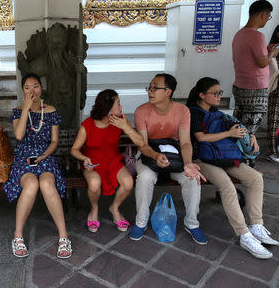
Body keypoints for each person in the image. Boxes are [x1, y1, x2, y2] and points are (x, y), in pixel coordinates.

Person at [186, 77, 278, 259]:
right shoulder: (193, 113)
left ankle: (256, 225)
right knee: (227, 187)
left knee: (255, 178)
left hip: (225, 157)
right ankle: (244, 234)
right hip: (203, 160)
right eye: (215, 93)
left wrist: (249, 134)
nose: (219, 96)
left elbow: (234, 124)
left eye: (220, 93)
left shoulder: (215, 111)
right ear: (202, 95)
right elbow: (201, 138)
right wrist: (229, 133)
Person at [129, 73, 207, 244]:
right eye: (149, 87)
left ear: (168, 92)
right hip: (149, 153)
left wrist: (188, 164)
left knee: (192, 178)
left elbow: (186, 143)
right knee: (144, 177)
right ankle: (141, 222)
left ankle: (192, 223)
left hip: (175, 154)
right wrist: (156, 155)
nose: (150, 91)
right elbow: (142, 144)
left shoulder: (182, 111)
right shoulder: (142, 111)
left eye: (155, 87)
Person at [3, 73, 72, 259]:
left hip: (45, 156)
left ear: (41, 88)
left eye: (35, 86)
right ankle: (18, 235)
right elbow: (18, 136)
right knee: (31, 184)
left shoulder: (50, 111)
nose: (32, 90)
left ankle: (63, 236)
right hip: (23, 157)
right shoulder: (18, 111)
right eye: (27, 87)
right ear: (22, 90)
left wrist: (42, 157)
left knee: (47, 184)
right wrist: (26, 108)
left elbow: (54, 141)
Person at [70, 89, 144, 233]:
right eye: (118, 104)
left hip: (113, 160)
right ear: (108, 108)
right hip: (92, 162)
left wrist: (126, 128)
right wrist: (84, 158)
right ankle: (94, 208)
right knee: (94, 183)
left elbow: (140, 142)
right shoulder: (88, 124)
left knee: (128, 182)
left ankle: (114, 208)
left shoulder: (121, 121)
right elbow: (74, 149)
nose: (121, 107)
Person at [232, 0, 279, 138]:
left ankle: (235, 155)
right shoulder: (257, 35)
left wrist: (265, 50)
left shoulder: (239, 34)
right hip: (255, 89)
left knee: (238, 126)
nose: (267, 20)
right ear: (263, 15)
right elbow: (262, 63)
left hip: (240, 85)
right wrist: (272, 53)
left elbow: (248, 57)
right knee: (249, 130)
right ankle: (245, 158)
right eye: (268, 17)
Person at [267, 25, 279, 162]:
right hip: (275, 90)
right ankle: (274, 151)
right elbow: (273, 71)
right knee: (274, 120)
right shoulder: (272, 49)